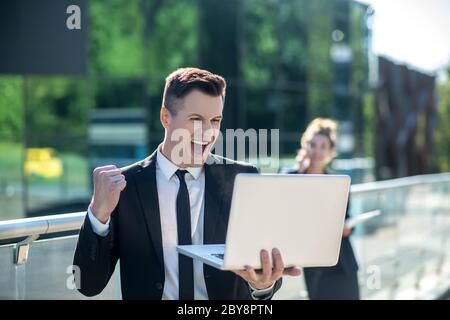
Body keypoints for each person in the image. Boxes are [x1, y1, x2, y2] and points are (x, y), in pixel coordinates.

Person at [73, 67, 300, 300]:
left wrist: (262, 286)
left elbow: (264, 271)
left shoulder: (242, 179)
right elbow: (88, 284)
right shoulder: (126, 187)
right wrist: (98, 213)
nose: (208, 132)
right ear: (165, 117)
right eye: (196, 119)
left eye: (215, 120)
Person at [286, 118, 360, 300]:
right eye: (312, 144)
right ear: (305, 146)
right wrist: (300, 172)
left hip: (343, 262)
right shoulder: (292, 176)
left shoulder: (339, 182)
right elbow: (285, 209)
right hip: (315, 263)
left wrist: (348, 227)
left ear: (331, 152)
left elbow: (348, 216)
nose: (317, 150)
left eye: (323, 146)